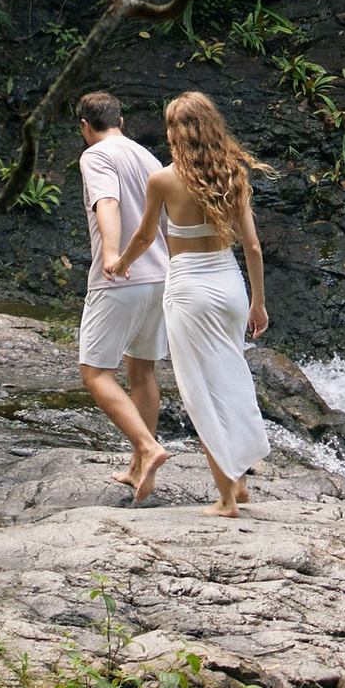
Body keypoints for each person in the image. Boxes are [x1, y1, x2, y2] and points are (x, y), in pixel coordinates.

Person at [116, 89, 269, 517]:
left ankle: (225, 499)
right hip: (230, 286)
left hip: (189, 291)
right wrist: (258, 303)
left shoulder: (163, 180)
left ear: (175, 133)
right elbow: (253, 248)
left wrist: (121, 263)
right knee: (231, 380)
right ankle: (237, 481)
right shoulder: (234, 174)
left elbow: (146, 237)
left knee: (201, 391)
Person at [74, 89, 168, 502]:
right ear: (121, 122)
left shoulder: (95, 156)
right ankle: (137, 469)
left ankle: (148, 448)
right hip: (161, 277)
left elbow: (106, 202)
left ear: (84, 127)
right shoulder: (147, 157)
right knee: (142, 370)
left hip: (122, 278)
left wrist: (112, 254)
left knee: (95, 373)